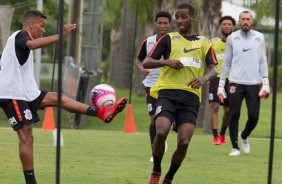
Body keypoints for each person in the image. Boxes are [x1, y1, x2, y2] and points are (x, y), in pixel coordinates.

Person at [0, 10, 127, 184]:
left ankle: (101, 113)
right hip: (11, 93)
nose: (43, 30)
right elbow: (31, 45)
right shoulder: (21, 35)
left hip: (24, 92)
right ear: (31, 24)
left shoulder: (15, 41)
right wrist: (61, 36)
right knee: (26, 137)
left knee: (58, 98)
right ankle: (31, 182)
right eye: (42, 26)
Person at [143, 3, 218, 184]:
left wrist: (203, 79)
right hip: (167, 93)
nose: (179, 21)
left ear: (192, 18)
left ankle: (169, 178)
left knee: (184, 142)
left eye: (184, 17)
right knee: (161, 132)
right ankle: (156, 171)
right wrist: (166, 62)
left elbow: (213, 69)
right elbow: (146, 61)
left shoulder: (203, 42)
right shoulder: (168, 38)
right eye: (177, 17)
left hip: (190, 98)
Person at [218, 11, 270, 156]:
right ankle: (235, 147)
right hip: (235, 82)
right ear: (239, 21)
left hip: (254, 82)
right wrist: (221, 84)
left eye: (248, 19)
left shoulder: (259, 37)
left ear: (251, 21)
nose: (246, 21)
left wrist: (265, 81)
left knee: (254, 116)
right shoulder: (232, 38)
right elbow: (226, 62)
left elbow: (262, 60)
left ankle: (244, 135)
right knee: (234, 114)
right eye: (243, 19)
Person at [136, 11, 172, 162]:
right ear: (155, 24)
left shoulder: (175, 40)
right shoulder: (148, 41)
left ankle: (162, 139)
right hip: (151, 84)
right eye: (160, 23)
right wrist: (141, 69)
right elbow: (138, 60)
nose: (162, 26)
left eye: (165, 23)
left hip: (170, 84)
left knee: (164, 118)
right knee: (153, 118)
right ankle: (154, 150)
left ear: (170, 24)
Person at [208, 15, 236, 145]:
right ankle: (215, 137)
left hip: (232, 80)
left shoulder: (237, 43)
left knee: (228, 110)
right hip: (216, 78)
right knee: (214, 107)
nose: (226, 26)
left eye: (229, 24)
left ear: (233, 27)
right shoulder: (212, 42)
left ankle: (222, 133)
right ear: (220, 26)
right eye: (224, 24)